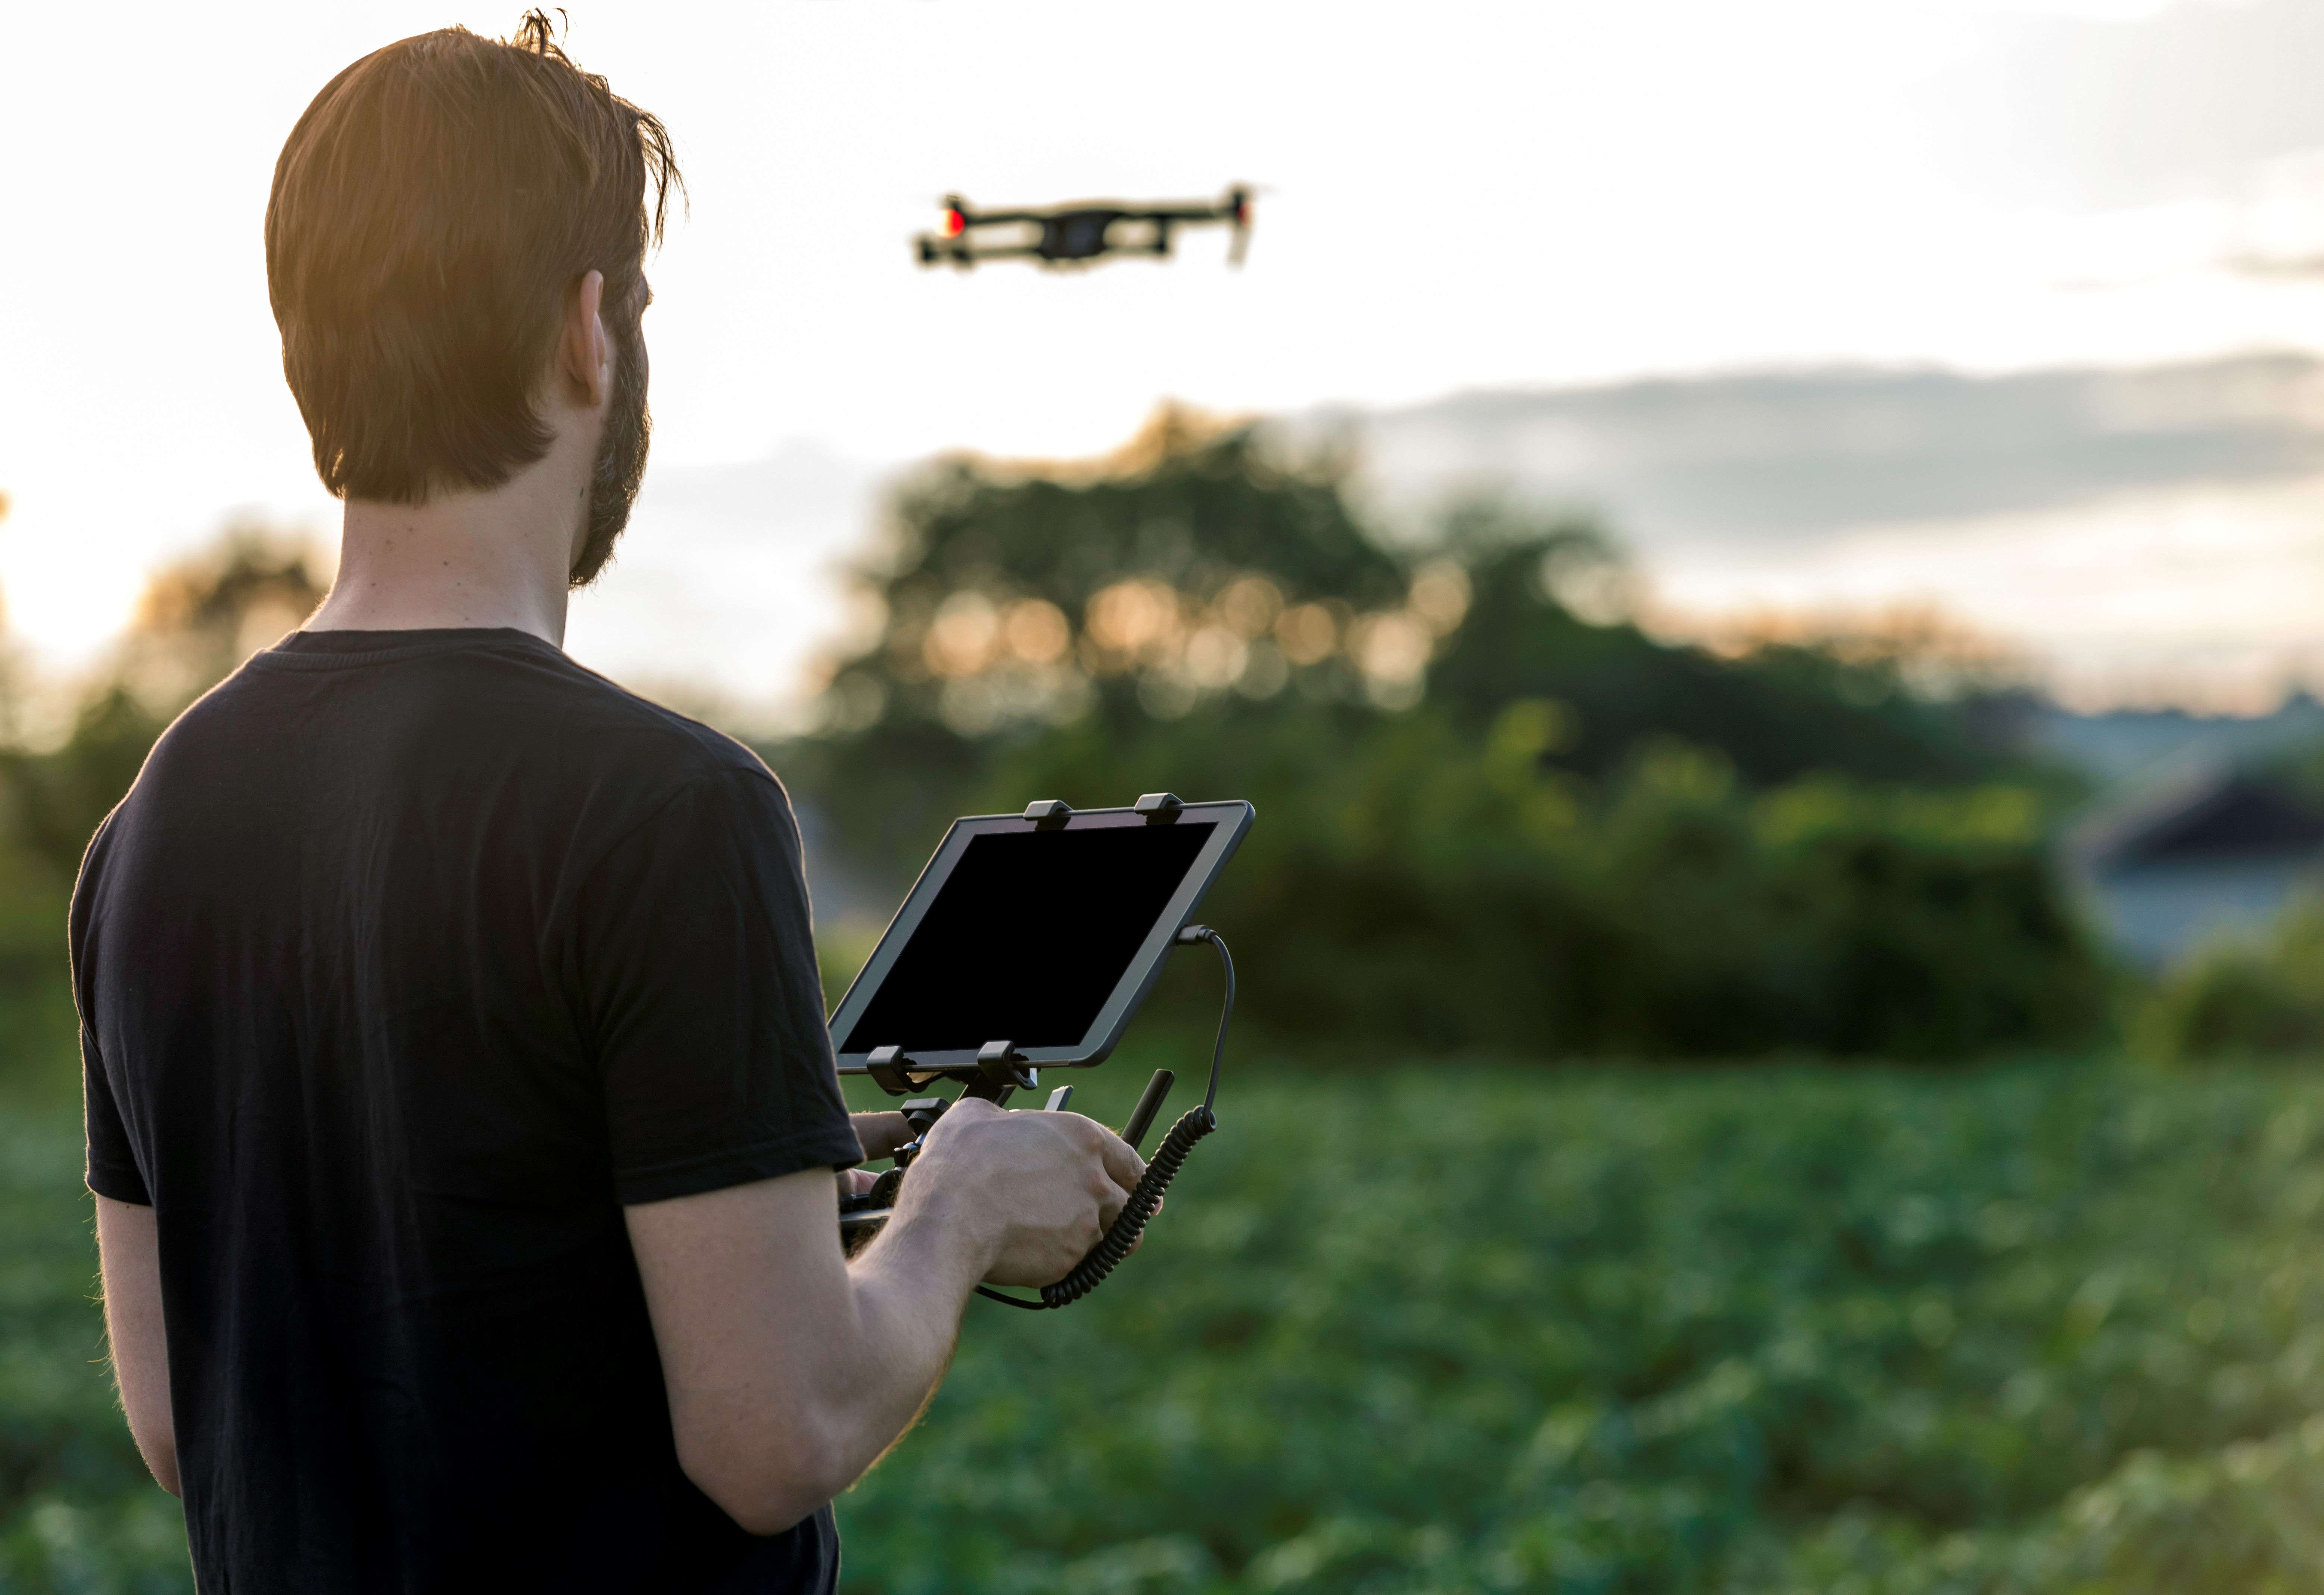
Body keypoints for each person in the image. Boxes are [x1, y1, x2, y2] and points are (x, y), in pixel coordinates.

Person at [71, 16, 1146, 1592]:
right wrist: (963, 1204)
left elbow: (186, 1419)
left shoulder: (150, 827)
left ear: (312, 350)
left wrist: (748, 1168)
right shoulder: (669, 809)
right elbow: (773, 1431)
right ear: (591, 331)